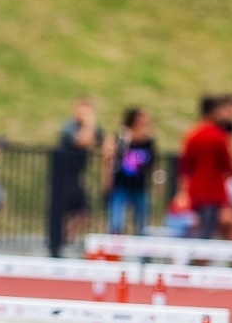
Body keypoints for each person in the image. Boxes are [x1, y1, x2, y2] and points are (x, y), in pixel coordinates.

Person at [178, 94, 232, 240]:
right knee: (210, 229)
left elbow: (185, 164)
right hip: (213, 188)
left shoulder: (192, 134)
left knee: (200, 226)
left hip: (196, 187)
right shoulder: (219, 136)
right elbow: (227, 164)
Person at [48, 97, 104, 257]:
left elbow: (100, 141)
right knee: (60, 211)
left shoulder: (92, 128)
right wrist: (89, 123)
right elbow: (83, 141)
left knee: (84, 213)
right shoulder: (69, 127)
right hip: (62, 176)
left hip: (77, 176)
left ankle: (65, 236)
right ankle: (56, 243)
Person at [107, 107, 156, 236]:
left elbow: (151, 163)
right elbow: (112, 157)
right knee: (116, 221)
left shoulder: (148, 142)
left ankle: (143, 252)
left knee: (142, 222)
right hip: (121, 183)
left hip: (139, 185)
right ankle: (114, 250)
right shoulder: (123, 138)